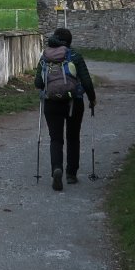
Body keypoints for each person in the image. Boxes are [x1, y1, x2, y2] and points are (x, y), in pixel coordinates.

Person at [36, 26, 96, 191]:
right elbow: (87, 82)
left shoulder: (45, 56)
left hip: (51, 103)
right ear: (69, 42)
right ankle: (71, 174)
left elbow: (38, 83)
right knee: (73, 137)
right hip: (74, 102)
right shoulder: (75, 55)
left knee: (55, 139)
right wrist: (92, 98)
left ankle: (57, 169)